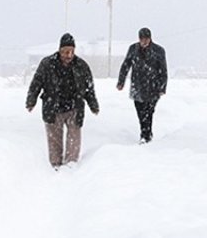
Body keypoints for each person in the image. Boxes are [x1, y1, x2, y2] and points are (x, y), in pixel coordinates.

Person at [26, 32, 99, 169]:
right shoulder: (47, 64)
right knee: (54, 141)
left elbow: (89, 88)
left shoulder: (81, 66)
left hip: (74, 107)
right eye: (66, 52)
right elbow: (36, 83)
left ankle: (71, 165)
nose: (69, 55)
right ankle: (55, 166)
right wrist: (31, 100)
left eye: (71, 51)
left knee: (74, 139)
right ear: (60, 50)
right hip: (53, 107)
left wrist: (93, 105)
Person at [116, 26, 168, 143]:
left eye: (146, 39)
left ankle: (146, 135)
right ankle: (145, 132)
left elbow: (163, 70)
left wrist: (162, 87)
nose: (144, 41)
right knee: (140, 111)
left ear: (150, 39)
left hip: (153, 87)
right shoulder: (133, 49)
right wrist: (121, 82)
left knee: (149, 111)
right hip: (137, 85)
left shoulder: (159, 51)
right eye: (142, 39)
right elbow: (126, 65)